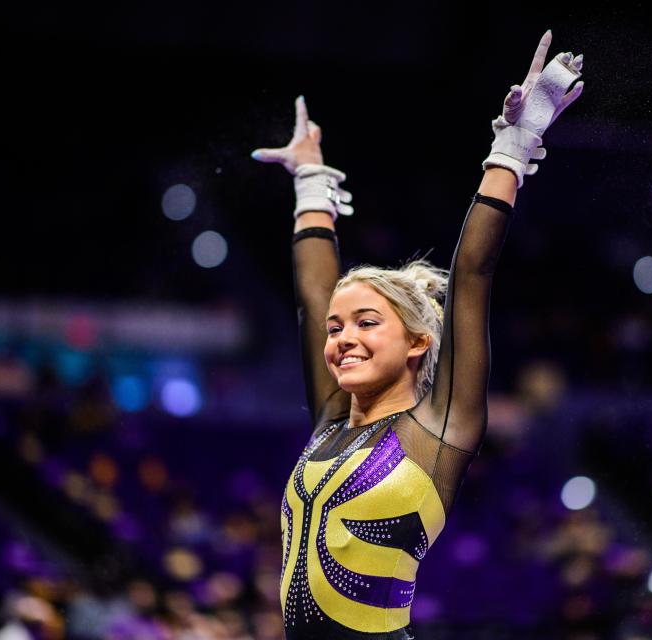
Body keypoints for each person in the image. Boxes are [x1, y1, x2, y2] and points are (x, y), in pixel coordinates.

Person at [251, 29, 584, 640]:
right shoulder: (331, 420)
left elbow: (472, 276)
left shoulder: (439, 429)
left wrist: (512, 147)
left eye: (367, 323)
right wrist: (310, 183)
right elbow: (311, 299)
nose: (342, 338)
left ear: (417, 342)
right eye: (338, 328)